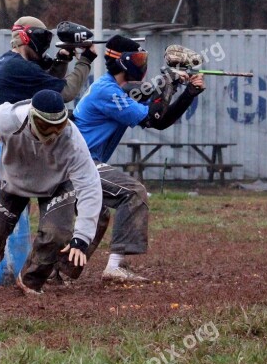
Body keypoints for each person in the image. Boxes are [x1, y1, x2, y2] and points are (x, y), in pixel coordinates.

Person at [70, 35, 205, 283]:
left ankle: (62, 272)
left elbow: (160, 121)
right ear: (125, 63)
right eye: (140, 59)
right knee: (132, 192)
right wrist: (169, 82)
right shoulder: (107, 92)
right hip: (79, 164)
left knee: (98, 215)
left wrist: (187, 93)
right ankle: (113, 268)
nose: (143, 64)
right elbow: (153, 115)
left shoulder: (114, 89)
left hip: (81, 161)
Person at [0, 89, 102, 295]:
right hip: (13, 180)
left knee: (57, 235)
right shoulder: (6, 120)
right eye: (46, 126)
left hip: (57, 184)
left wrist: (82, 237)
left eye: (58, 127)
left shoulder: (71, 138)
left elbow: (90, 185)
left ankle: (30, 279)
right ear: (32, 118)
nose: (52, 134)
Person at [0, 16, 96, 105]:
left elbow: (44, 86)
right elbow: (67, 92)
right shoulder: (21, 67)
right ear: (25, 37)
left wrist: (61, 60)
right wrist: (86, 59)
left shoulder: (6, 62)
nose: (45, 45)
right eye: (42, 38)